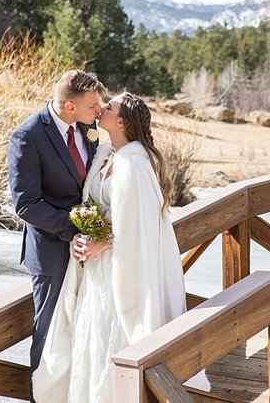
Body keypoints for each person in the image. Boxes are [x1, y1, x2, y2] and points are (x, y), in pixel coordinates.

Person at [32, 92, 187, 403]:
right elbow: (95, 206)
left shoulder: (136, 163)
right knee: (92, 336)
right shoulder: (106, 155)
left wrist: (101, 242)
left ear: (121, 121)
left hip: (122, 265)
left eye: (110, 106)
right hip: (97, 268)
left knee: (112, 334)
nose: (102, 107)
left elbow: (138, 222)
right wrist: (84, 235)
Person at [8, 69, 106, 396]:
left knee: (83, 328)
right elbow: (26, 203)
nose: (100, 110)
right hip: (51, 253)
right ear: (69, 108)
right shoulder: (28, 136)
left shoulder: (87, 125)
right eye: (93, 105)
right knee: (50, 334)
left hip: (90, 250)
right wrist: (73, 230)